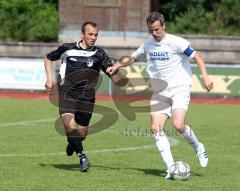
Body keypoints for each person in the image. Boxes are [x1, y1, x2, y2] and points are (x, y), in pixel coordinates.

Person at [106, 12, 213, 179]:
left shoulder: (177, 42)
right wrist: (117, 65)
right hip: (159, 91)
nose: (154, 33)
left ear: (163, 26)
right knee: (156, 128)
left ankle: (198, 147)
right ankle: (171, 168)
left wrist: (205, 77)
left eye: (156, 29)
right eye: (151, 30)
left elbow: (197, 58)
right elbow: (133, 58)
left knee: (178, 125)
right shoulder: (148, 44)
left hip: (179, 88)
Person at [44, 21, 128, 172]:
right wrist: (49, 78)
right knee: (69, 125)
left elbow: (111, 73)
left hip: (87, 98)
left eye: (96, 35)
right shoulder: (67, 48)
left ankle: (73, 142)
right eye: (90, 34)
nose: (93, 37)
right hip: (67, 93)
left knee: (81, 134)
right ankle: (82, 157)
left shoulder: (99, 54)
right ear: (82, 34)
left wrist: (121, 80)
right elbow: (48, 58)